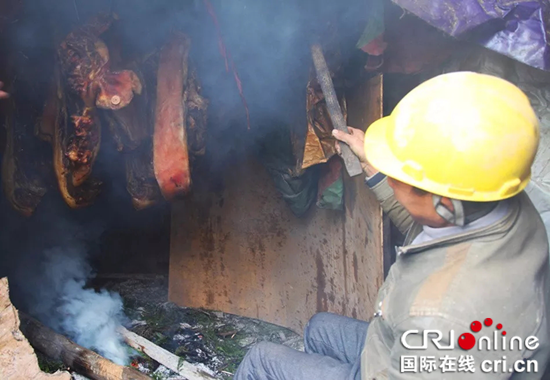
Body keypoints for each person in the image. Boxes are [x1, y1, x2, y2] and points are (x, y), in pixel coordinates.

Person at [234, 72, 550, 379]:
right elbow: (431, 222)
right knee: (319, 328)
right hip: (398, 350)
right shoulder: (494, 197)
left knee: (260, 359)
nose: (388, 170)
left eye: (397, 171)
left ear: (444, 201)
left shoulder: (442, 318)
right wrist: (374, 166)